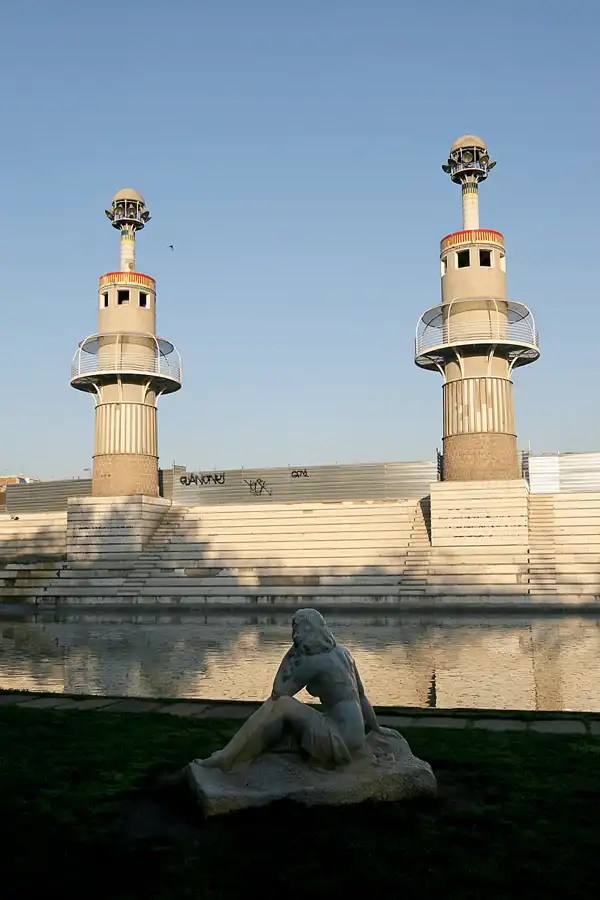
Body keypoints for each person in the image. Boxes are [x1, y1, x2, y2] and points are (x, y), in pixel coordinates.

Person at [197, 608, 398, 772]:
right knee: (284, 708)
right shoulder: (344, 653)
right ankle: (232, 754)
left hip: (338, 739)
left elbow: (278, 693)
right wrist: (376, 727)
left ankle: (228, 757)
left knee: (280, 705)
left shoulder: (314, 661)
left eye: (294, 629)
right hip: (356, 736)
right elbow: (361, 695)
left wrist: (289, 653)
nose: (293, 634)